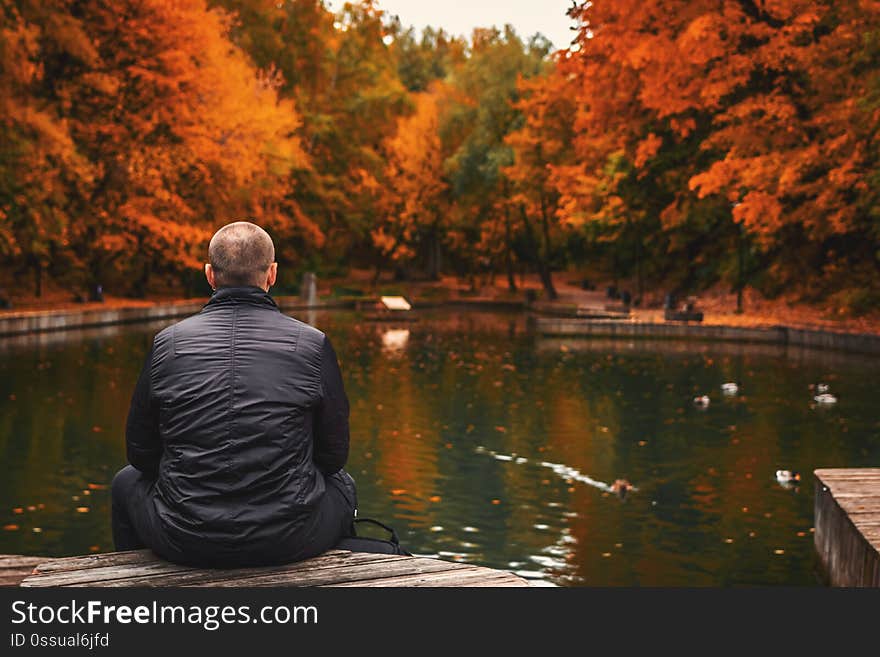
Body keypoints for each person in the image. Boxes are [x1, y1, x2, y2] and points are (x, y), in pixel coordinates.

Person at [111, 221, 356, 567]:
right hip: (287, 539)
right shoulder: (311, 344)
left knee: (125, 482)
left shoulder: (168, 344)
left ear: (210, 275)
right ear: (272, 274)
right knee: (343, 484)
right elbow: (333, 456)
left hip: (183, 537)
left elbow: (141, 454)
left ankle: (131, 587)